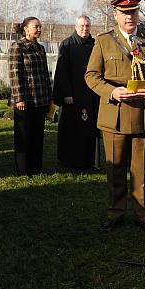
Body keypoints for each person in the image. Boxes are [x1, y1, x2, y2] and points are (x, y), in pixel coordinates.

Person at [85, 0, 145, 237]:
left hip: (143, 114)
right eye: (124, 13)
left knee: (140, 170)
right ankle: (115, 213)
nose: (129, 16)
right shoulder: (103, 41)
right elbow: (91, 75)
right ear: (115, 15)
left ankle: (143, 215)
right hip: (114, 115)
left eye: (133, 12)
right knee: (115, 169)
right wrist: (112, 92)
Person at [52, 15, 100, 172]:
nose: (85, 29)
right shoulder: (67, 44)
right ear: (75, 26)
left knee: (89, 127)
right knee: (72, 129)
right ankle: (69, 160)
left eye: (87, 26)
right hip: (72, 95)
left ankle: (88, 160)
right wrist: (66, 93)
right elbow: (62, 72)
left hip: (91, 94)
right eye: (82, 26)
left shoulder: (95, 44)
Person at [8, 16, 52, 176]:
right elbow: (14, 73)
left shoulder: (40, 48)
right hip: (25, 101)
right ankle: (23, 169)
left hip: (40, 99)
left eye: (40, 27)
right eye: (36, 26)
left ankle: (36, 167)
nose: (39, 29)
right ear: (26, 29)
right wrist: (18, 98)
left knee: (37, 135)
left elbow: (45, 75)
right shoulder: (18, 47)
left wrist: (49, 97)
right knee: (23, 136)